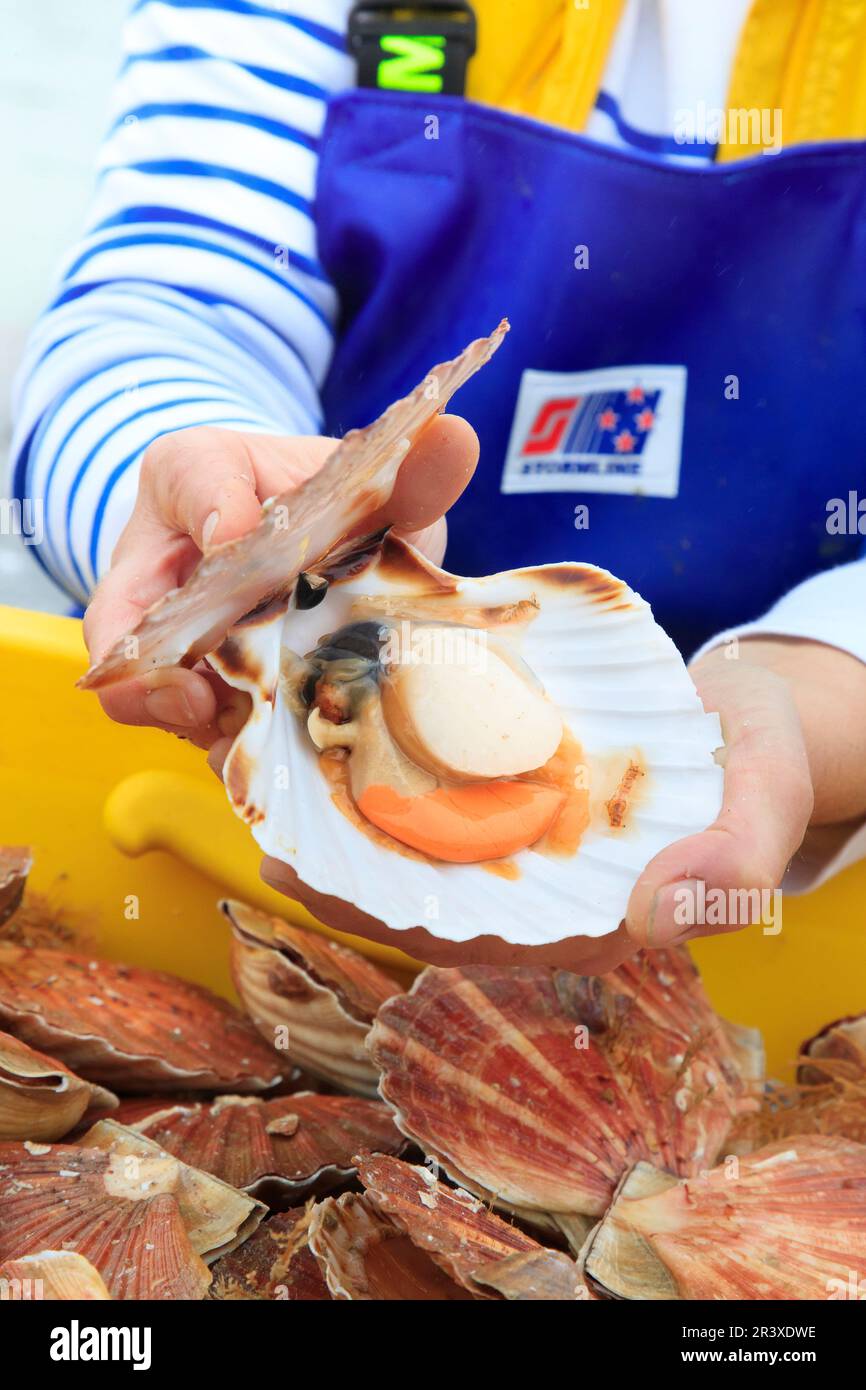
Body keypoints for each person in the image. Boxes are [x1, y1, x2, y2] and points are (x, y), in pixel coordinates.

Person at [10, 0, 866, 971]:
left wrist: (831, 671)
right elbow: (176, 296)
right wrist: (216, 507)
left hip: (820, 875)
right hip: (244, 766)